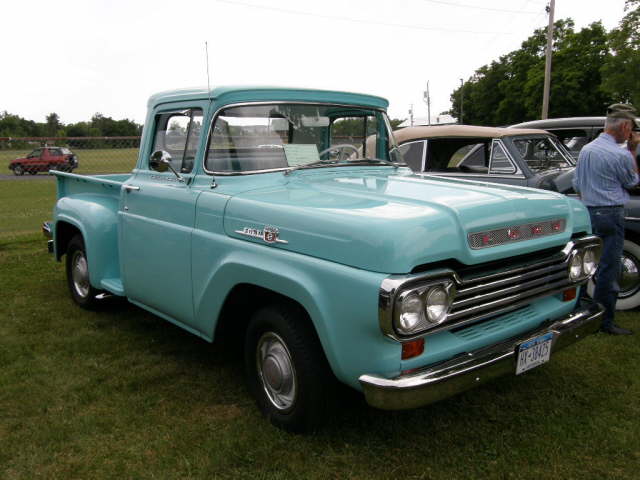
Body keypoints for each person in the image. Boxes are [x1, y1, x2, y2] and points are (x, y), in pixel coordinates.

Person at [573, 105, 640, 335]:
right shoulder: (621, 154)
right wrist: (632, 149)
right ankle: (604, 320)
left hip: (588, 211)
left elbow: (577, 184)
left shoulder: (586, 150)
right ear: (624, 126)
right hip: (610, 212)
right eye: (630, 127)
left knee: (584, 263)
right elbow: (632, 182)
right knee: (609, 267)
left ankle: (577, 310)